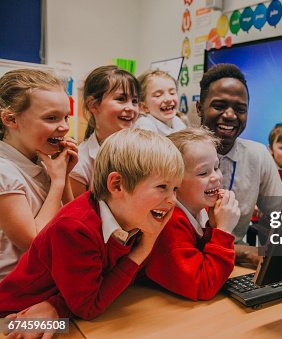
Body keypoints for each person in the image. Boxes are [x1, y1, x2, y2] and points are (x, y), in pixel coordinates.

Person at [0, 128, 184, 324]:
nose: (172, 200)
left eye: (175, 189)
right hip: (14, 318)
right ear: (117, 185)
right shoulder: (74, 228)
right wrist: (145, 247)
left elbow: (115, 282)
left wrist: (57, 306)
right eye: (162, 187)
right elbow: (89, 307)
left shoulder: (138, 217)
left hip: (66, 313)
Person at [197, 64, 282, 266]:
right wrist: (245, 253)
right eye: (219, 106)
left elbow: (281, 218)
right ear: (199, 107)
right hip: (191, 264)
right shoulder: (174, 153)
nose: (230, 115)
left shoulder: (258, 155)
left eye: (240, 109)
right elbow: (178, 243)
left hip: (235, 267)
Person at [0, 69, 78, 280]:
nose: (64, 127)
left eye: (65, 117)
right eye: (51, 118)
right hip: (12, 295)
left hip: (42, 281)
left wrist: (64, 177)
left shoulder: (41, 159)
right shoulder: (4, 171)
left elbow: (72, 225)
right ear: (10, 119)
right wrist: (58, 182)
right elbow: (34, 241)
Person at [145, 127, 239, 300]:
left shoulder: (195, 210)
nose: (216, 177)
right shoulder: (170, 222)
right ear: (174, 182)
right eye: (203, 172)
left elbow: (200, 259)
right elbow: (202, 286)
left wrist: (213, 225)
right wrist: (224, 230)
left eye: (216, 167)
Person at [69, 65, 140, 197]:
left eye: (135, 101)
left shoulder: (144, 148)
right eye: (121, 99)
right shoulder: (80, 164)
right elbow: (78, 215)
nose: (131, 108)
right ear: (93, 105)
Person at [134, 70, 187, 136]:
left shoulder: (178, 121)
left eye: (172, 93)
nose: (168, 99)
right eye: (158, 95)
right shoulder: (143, 126)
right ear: (144, 107)